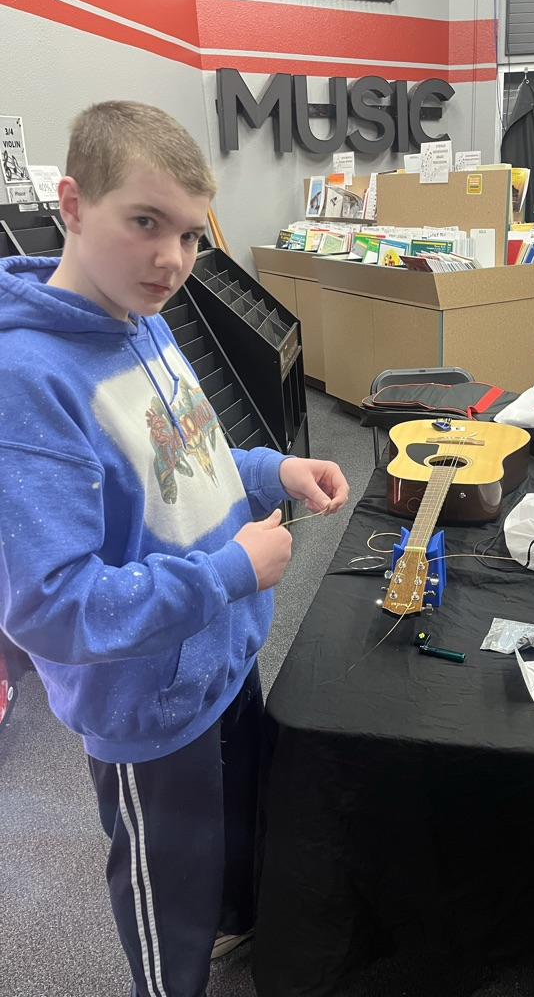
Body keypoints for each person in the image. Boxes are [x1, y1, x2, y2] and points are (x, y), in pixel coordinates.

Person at [0, 101, 349, 997]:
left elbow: (186, 456)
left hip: (223, 651)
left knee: (235, 844)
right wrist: (234, 568)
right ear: (72, 204)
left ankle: (235, 934)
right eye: (145, 223)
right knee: (169, 886)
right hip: (145, 703)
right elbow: (51, 605)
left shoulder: (142, 316)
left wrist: (274, 470)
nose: (173, 261)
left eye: (191, 235)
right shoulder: (28, 384)